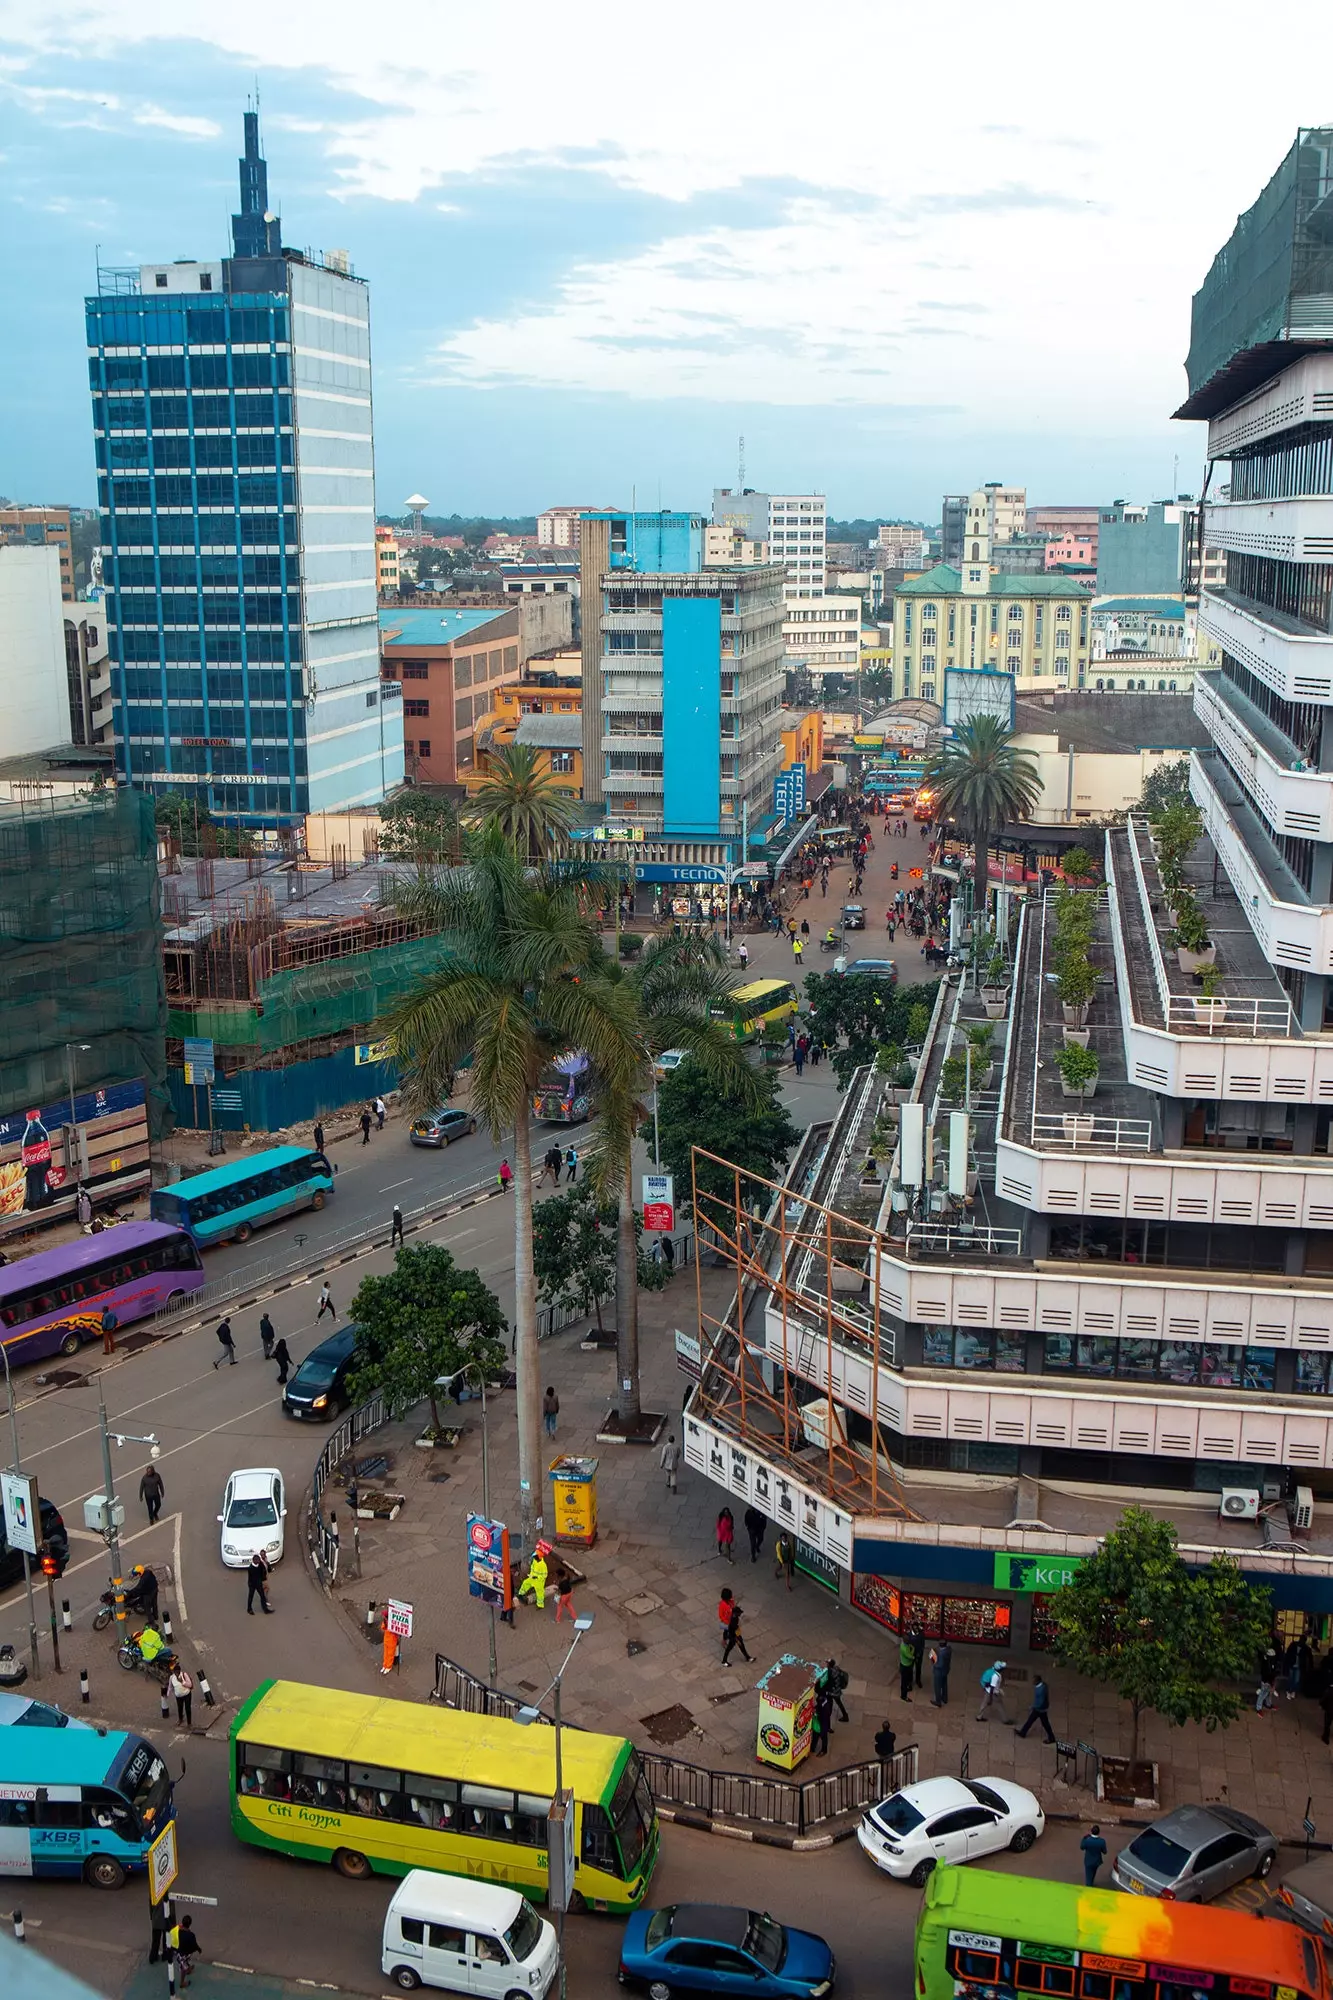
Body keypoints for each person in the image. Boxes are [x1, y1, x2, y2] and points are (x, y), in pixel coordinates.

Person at [1017, 1674, 1056, 1742]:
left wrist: (1033, 1706)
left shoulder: (1040, 1690)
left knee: (1043, 1723)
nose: (1032, 1682)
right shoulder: (1043, 1686)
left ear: (1037, 1681)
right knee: (1032, 1720)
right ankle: (1023, 1732)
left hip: (1040, 1709)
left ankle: (1051, 1738)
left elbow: (1040, 1702)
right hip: (1041, 1708)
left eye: (1034, 1680)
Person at [171, 1915, 200, 1988]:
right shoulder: (190, 1935)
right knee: (183, 1967)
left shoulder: (176, 1930)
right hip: (183, 1954)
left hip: (177, 1950)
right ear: (190, 1924)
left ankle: (188, 1969)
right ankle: (182, 1983)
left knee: (185, 1962)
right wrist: (199, 1949)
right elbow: (194, 1946)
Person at [721, 1598, 752, 1666]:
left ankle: (747, 1657)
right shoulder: (732, 1620)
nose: (740, 1614)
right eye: (739, 1613)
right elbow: (729, 1629)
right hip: (733, 1636)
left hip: (737, 1635)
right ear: (735, 1613)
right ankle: (724, 1661)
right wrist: (733, 1637)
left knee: (741, 1645)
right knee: (729, 1648)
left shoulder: (734, 1617)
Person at [821, 1658, 850, 1724]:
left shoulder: (830, 1672)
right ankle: (845, 1715)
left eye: (827, 1663)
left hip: (833, 1692)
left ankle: (828, 1717)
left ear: (829, 1665)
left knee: (830, 1703)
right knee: (839, 1702)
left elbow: (828, 1683)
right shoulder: (836, 1668)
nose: (826, 1664)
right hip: (838, 1689)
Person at [246, 1550, 272, 1615]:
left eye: (258, 1560)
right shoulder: (250, 1568)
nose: (258, 1562)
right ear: (253, 1561)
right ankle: (249, 1609)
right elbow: (251, 1578)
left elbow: (262, 1571)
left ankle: (265, 1610)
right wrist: (251, 1584)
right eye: (257, 1561)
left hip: (258, 1583)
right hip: (252, 1584)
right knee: (250, 1596)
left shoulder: (259, 1564)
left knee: (262, 1596)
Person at [813, 1683, 834, 1756]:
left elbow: (824, 1714)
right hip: (822, 1719)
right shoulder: (824, 1699)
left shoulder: (823, 1703)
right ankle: (813, 1748)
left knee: (823, 1735)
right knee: (816, 1735)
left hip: (823, 1721)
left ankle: (824, 1750)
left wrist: (816, 1713)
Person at [930, 1640, 952, 1707]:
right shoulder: (948, 1650)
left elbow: (939, 1664)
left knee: (937, 1686)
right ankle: (944, 1698)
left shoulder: (941, 1653)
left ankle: (938, 1701)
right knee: (944, 1684)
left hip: (939, 1672)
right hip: (945, 1670)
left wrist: (934, 1663)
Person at [909, 1621, 926, 1690]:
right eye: (914, 1628)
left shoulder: (921, 1634)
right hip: (911, 1655)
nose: (916, 1629)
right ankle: (910, 1682)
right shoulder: (909, 1635)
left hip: (919, 1655)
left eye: (917, 1627)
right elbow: (908, 1646)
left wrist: (919, 1653)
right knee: (910, 1669)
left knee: (918, 1668)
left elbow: (922, 1645)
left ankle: (918, 1680)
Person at [898, 1635, 915, 1703]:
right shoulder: (905, 1649)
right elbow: (910, 1656)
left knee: (908, 1677)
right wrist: (913, 1649)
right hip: (906, 1666)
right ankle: (903, 1696)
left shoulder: (902, 1644)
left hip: (904, 1664)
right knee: (904, 1681)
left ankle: (908, 1687)